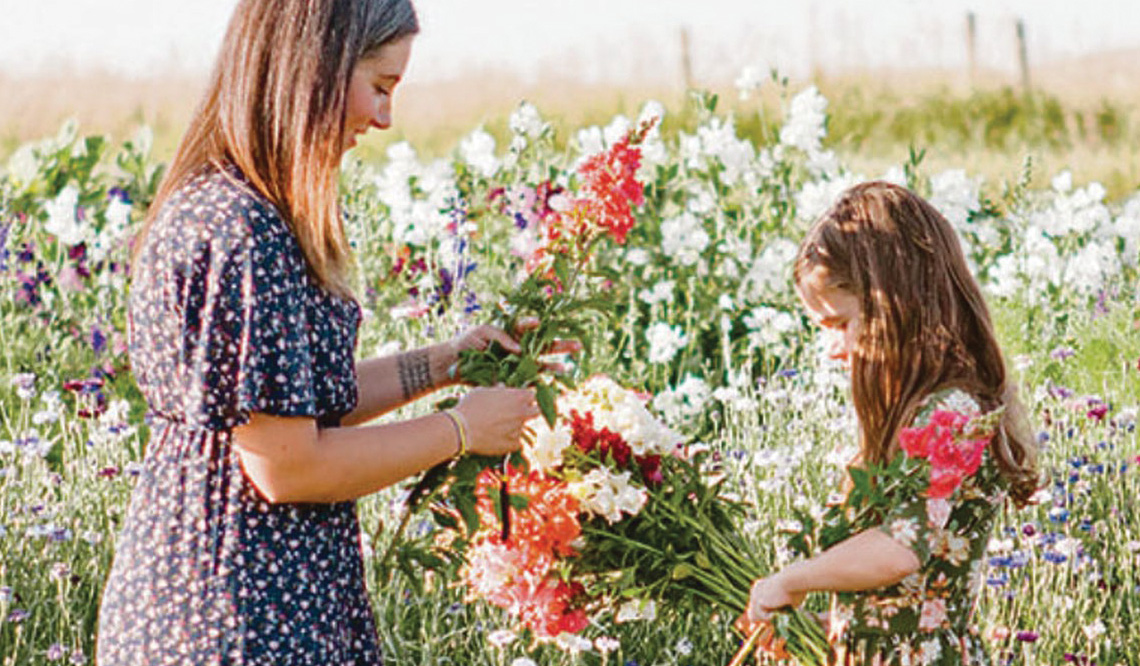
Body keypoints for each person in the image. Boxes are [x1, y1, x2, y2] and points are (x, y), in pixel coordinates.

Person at [97, 1, 563, 663]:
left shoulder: (239, 209)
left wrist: (445, 364)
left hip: (239, 596)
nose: (384, 118)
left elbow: (294, 404)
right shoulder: (242, 230)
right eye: (380, 87)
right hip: (236, 613)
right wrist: (462, 429)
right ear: (312, 71)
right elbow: (287, 464)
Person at [742, 181, 1039, 664]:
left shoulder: (952, 415)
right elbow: (906, 598)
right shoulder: (920, 413)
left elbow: (899, 550)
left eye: (840, 323)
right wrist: (831, 628)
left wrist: (789, 581)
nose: (833, 348)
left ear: (897, 308)